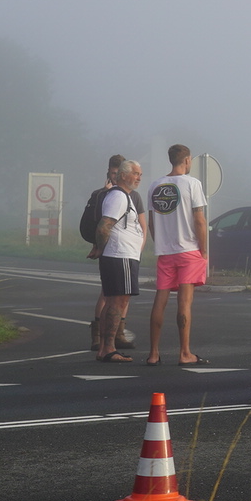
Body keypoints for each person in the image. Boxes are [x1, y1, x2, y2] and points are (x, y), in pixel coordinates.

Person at [146, 144, 211, 366]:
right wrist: (203, 249)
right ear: (187, 160)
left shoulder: (155, 186)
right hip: (188, 250)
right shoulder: (192, 184)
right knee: (184, 302)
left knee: (160, 300)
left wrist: (161, 243)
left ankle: (153, 353)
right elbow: (199, 220)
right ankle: (185, 352)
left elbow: (153, 221)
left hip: (165, 252)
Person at [85, 160, 145, 363]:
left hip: (118, 255)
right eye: (136, 173)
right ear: (123, 175)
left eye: (140, 174)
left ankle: (104, 348)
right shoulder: (119, 197)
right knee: (118, 302)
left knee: (112, 301)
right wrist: (101, 248)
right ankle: (109, 348)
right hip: (121, 256)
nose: (139, 177)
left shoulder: (120, 196)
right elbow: (104, 226)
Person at [89, 155, 134, 350]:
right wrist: (97, 245)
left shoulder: (132, 195)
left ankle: (117, 335)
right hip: (113, 250)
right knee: (110, 295)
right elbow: (100, 224)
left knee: (123, 295)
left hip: (126, 250)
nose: (116, 177)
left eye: (119, 173)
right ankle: (101, 339)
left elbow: (139, 221)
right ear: (108, 173)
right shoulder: (104, 195)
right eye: (113, 173)